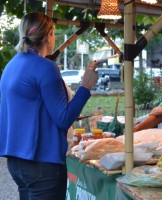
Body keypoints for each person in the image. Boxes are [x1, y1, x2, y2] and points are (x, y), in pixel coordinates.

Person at [0, 12, 99, 199]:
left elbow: (31, 109)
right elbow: (63, 119)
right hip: (42, 163)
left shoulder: (12, 65)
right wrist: (86, 86)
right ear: (48, 36)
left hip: (16, 161)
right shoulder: (45, 66)